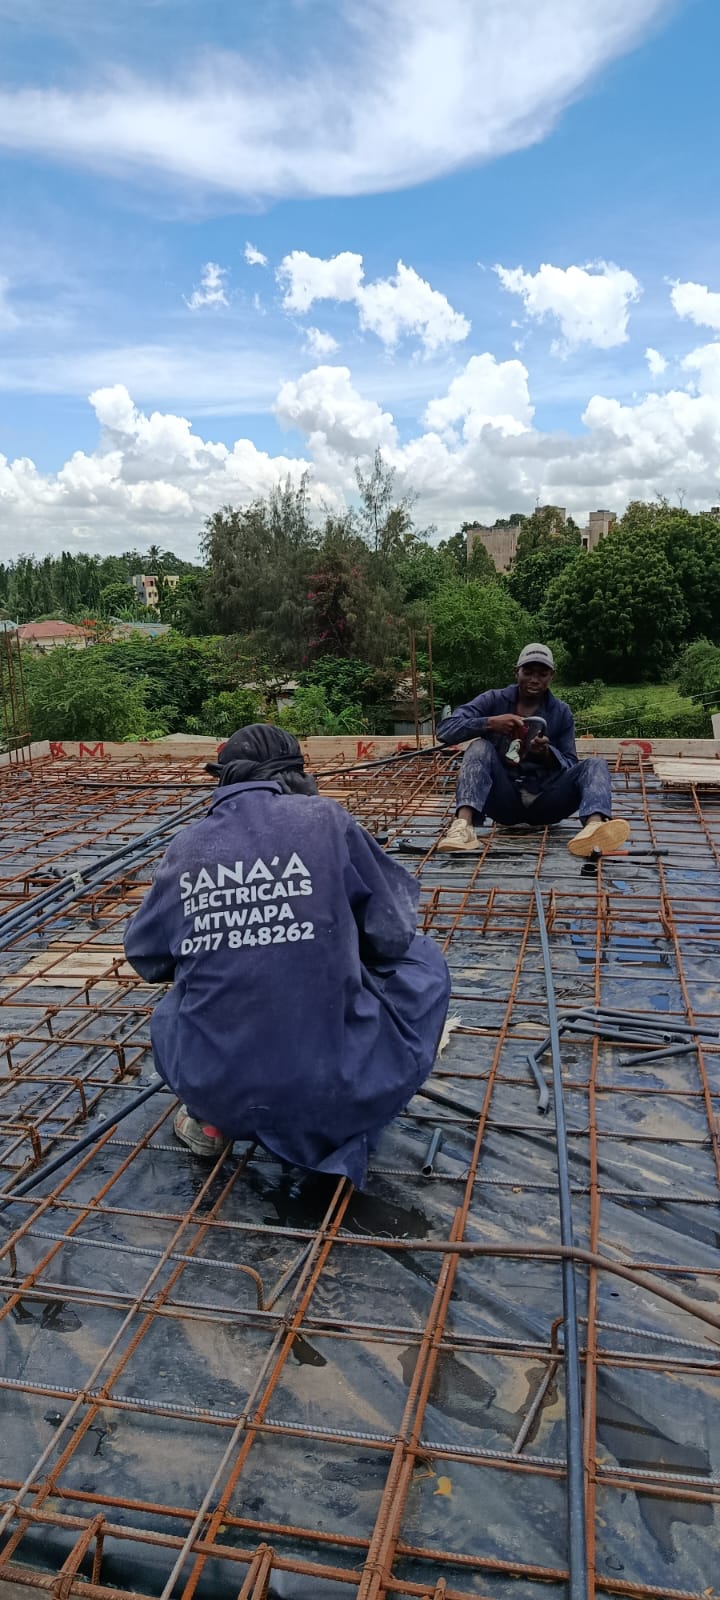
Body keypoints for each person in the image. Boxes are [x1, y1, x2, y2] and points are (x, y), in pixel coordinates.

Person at [124, 724, 450, 1187]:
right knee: (424, 960)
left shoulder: (188, 845)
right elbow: (392, 933)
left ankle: (208, 1123)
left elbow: (145, 956)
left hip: (218, 1090)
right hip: (336, 1091)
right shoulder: (325, 818)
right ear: (294, 774)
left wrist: (230, 927)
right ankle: (361, 1096)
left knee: (179, 998)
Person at [436, 643, 630, 856]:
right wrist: (490, 723)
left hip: (547, 802)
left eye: (542, 674)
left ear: (551, 676)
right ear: (516, 672)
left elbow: (570, 762)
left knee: (595, 764)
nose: (534, 679)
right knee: (479, 747)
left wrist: (547, 754)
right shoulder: (493, 700)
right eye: (528, 672)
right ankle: (463, 827)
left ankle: (594, 827)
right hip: (503, 800)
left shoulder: (561, 712)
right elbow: (445, 730)